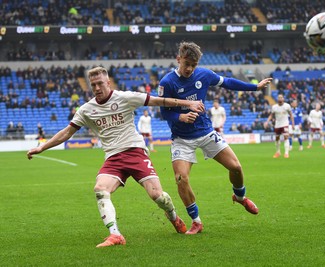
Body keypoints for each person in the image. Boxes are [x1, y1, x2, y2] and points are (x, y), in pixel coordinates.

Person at [27, 66, 206, 247]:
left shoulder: (125, 97)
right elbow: (67, 133)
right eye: (93, 84)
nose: (97, 88)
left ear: (108, 83)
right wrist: (43, 147)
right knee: (100, 189)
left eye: (100, 84)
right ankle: (115, 234)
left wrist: (187, 103)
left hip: (135, 152)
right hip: (113, 158)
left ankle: (174, 216)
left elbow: (159, 101)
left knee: (158, 196)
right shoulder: (86, 109)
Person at [159, 41, 273, 234]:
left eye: (193, 65)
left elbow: (228, 82)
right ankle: (196, 221)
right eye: (186, 64)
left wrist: (255, 87)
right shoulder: (167, 82)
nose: (189, 69)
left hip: (206, 132)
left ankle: (239, 197)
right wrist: (181, 116)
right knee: (181, 178)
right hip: (181, 138)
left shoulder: (204, 74)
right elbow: (164, 112)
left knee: (236, 167)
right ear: (178, 59)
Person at [264, 94, 294, 158]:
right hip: (277, 124)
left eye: (281, 97)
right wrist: (267, 122)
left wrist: (293, 123)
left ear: (283, 99)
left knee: (286, 137)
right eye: (279, 97)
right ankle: (278, 152)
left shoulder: (287, 106)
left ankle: (286, 153)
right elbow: (271, 115)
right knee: (277, 138)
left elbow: (291, 115)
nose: (280, 99)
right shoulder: (274, 107)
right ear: (277, 99)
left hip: (285, 124)